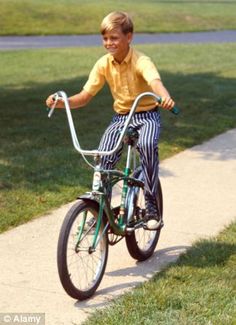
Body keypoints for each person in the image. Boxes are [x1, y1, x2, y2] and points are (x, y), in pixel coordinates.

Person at [46, 11, 175, 230]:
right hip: (121, 118)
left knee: (146, 145)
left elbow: (154, 81)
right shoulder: (103, 64)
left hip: (147, 115)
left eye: (114, 38)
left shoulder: (141, 60)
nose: (109, 43)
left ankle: (152, 205)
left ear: (129, 37)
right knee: (102, 159)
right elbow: (85, 97)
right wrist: (62, 102)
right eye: (105, 38)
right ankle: (99, 209)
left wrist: (164, 96)